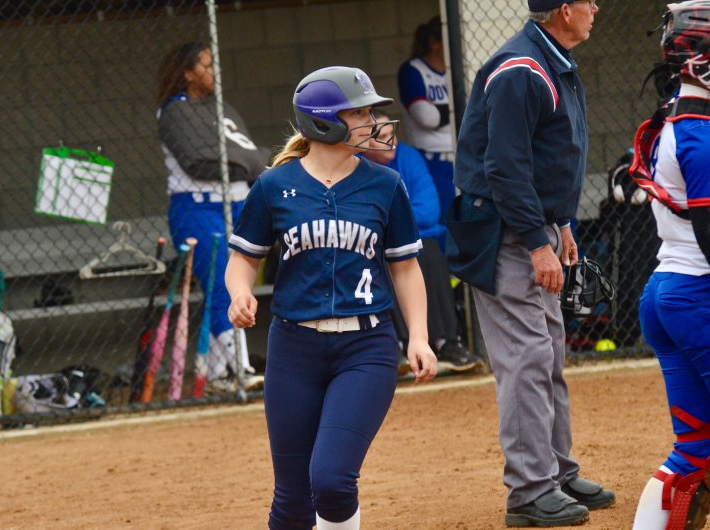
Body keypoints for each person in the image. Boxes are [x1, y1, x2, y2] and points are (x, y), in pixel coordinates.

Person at [225, 66, 438, 530]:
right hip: (293, 349)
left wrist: (417, 338)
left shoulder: (385, 185)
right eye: (359, 112)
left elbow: (405, 267)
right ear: (324, 122)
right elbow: (242, 260)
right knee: (292, 501)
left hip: (366, 348)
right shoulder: (274, 186)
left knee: (333, 480)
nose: (372, 121)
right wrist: (240, 294)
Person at [447, 0, 615, 527]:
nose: (596, 9)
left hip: (532, 227)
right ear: (564, 10)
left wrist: (561, 225)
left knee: (549, 352)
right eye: (589, 1)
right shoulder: (522, 70)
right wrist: (537, 242)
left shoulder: (549, 60)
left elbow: (550, 159)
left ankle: (557, 473)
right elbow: (505, 168)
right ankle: (528, 492)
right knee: (525, 358)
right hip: (504, 232)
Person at [632, 2, 710, 528]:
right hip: (696, 295)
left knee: (696, 450)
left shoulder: (678, 118)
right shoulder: (699, 135)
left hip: (669, 292)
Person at [156, 41, 265, 394]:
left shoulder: (222, 109)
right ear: (187, 73)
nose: (213, 71)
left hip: (238, 202)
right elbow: (197, 163)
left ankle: (219, 374)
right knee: (222, 285)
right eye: (204, 65)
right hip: (198, 207)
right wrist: (245, 163)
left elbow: (252, 157)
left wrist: (244, 163)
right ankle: (242, 367)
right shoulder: (174, 112)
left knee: (238, 287)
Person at [363, 112, 483, 373]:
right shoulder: (355, 166)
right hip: (373, 244)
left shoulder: (408, 157)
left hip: (412, 237)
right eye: (381, 138)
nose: (391, 142)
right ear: (363, 142)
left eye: (391, 135)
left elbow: (429, 209)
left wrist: (390, 222)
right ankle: (398, 344)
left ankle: (447, 342)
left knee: (428, 249)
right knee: (384, 256)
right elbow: (361, 218)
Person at [397, 15, 456, 242]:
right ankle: (445, 278)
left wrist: (442, 110)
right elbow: (427, 116)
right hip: (431, 160)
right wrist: (456, 107)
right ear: (434, 42)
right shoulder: (413, 70)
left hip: (463, 159)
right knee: (441, 224)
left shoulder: (459, 66)